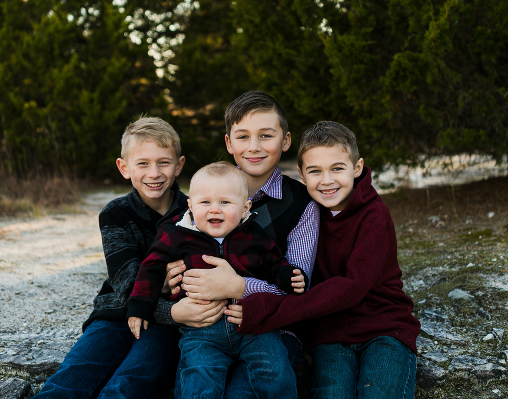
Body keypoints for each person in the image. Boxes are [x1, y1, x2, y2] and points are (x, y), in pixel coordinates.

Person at [230, 121, 421, 399]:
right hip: (329, 331)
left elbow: (351, 288)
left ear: (357, 168)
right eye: (315, 171)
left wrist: (267, 310)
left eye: (337, 168)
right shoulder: (307, 214)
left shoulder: (374, 215)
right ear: (301, 174)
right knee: (333, 393)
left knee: (379, 392)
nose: (327, 180)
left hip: (384, 326)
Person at [165, 91, 320, 397]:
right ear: (228, 143)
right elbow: (173, 251)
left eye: (266, 135)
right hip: (206, 326)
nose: (254, 147)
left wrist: (237, 286)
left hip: (272, 329)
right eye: (243, 136)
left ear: (285, 140)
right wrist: (170, 278)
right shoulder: (206, 191)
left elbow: (297, 290)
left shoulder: (303, 204)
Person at [34, 117, 188, 399]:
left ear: (179, 165)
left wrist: (168, 298)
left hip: (167, 323)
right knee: (71, 378)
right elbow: (128, 282)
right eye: (142, 163)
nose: (154, 173)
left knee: (130, 382)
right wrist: (160, 283)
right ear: (124, 168)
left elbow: (185, 284)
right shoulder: (115, 213)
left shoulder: (194, 215)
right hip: (115, 314)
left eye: (163, 162)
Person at [127, 162, 306, 399]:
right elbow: (151, 268)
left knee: (275, 370)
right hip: (201, 330)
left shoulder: (253, 234)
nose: (214, 210)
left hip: (251, 325)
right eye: (205, 202)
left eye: (225, 202)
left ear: (245, 208)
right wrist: (140, 305)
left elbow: (273, 262)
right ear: (190, 206)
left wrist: (286, 276)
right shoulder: (176, 234)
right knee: (198, 379)